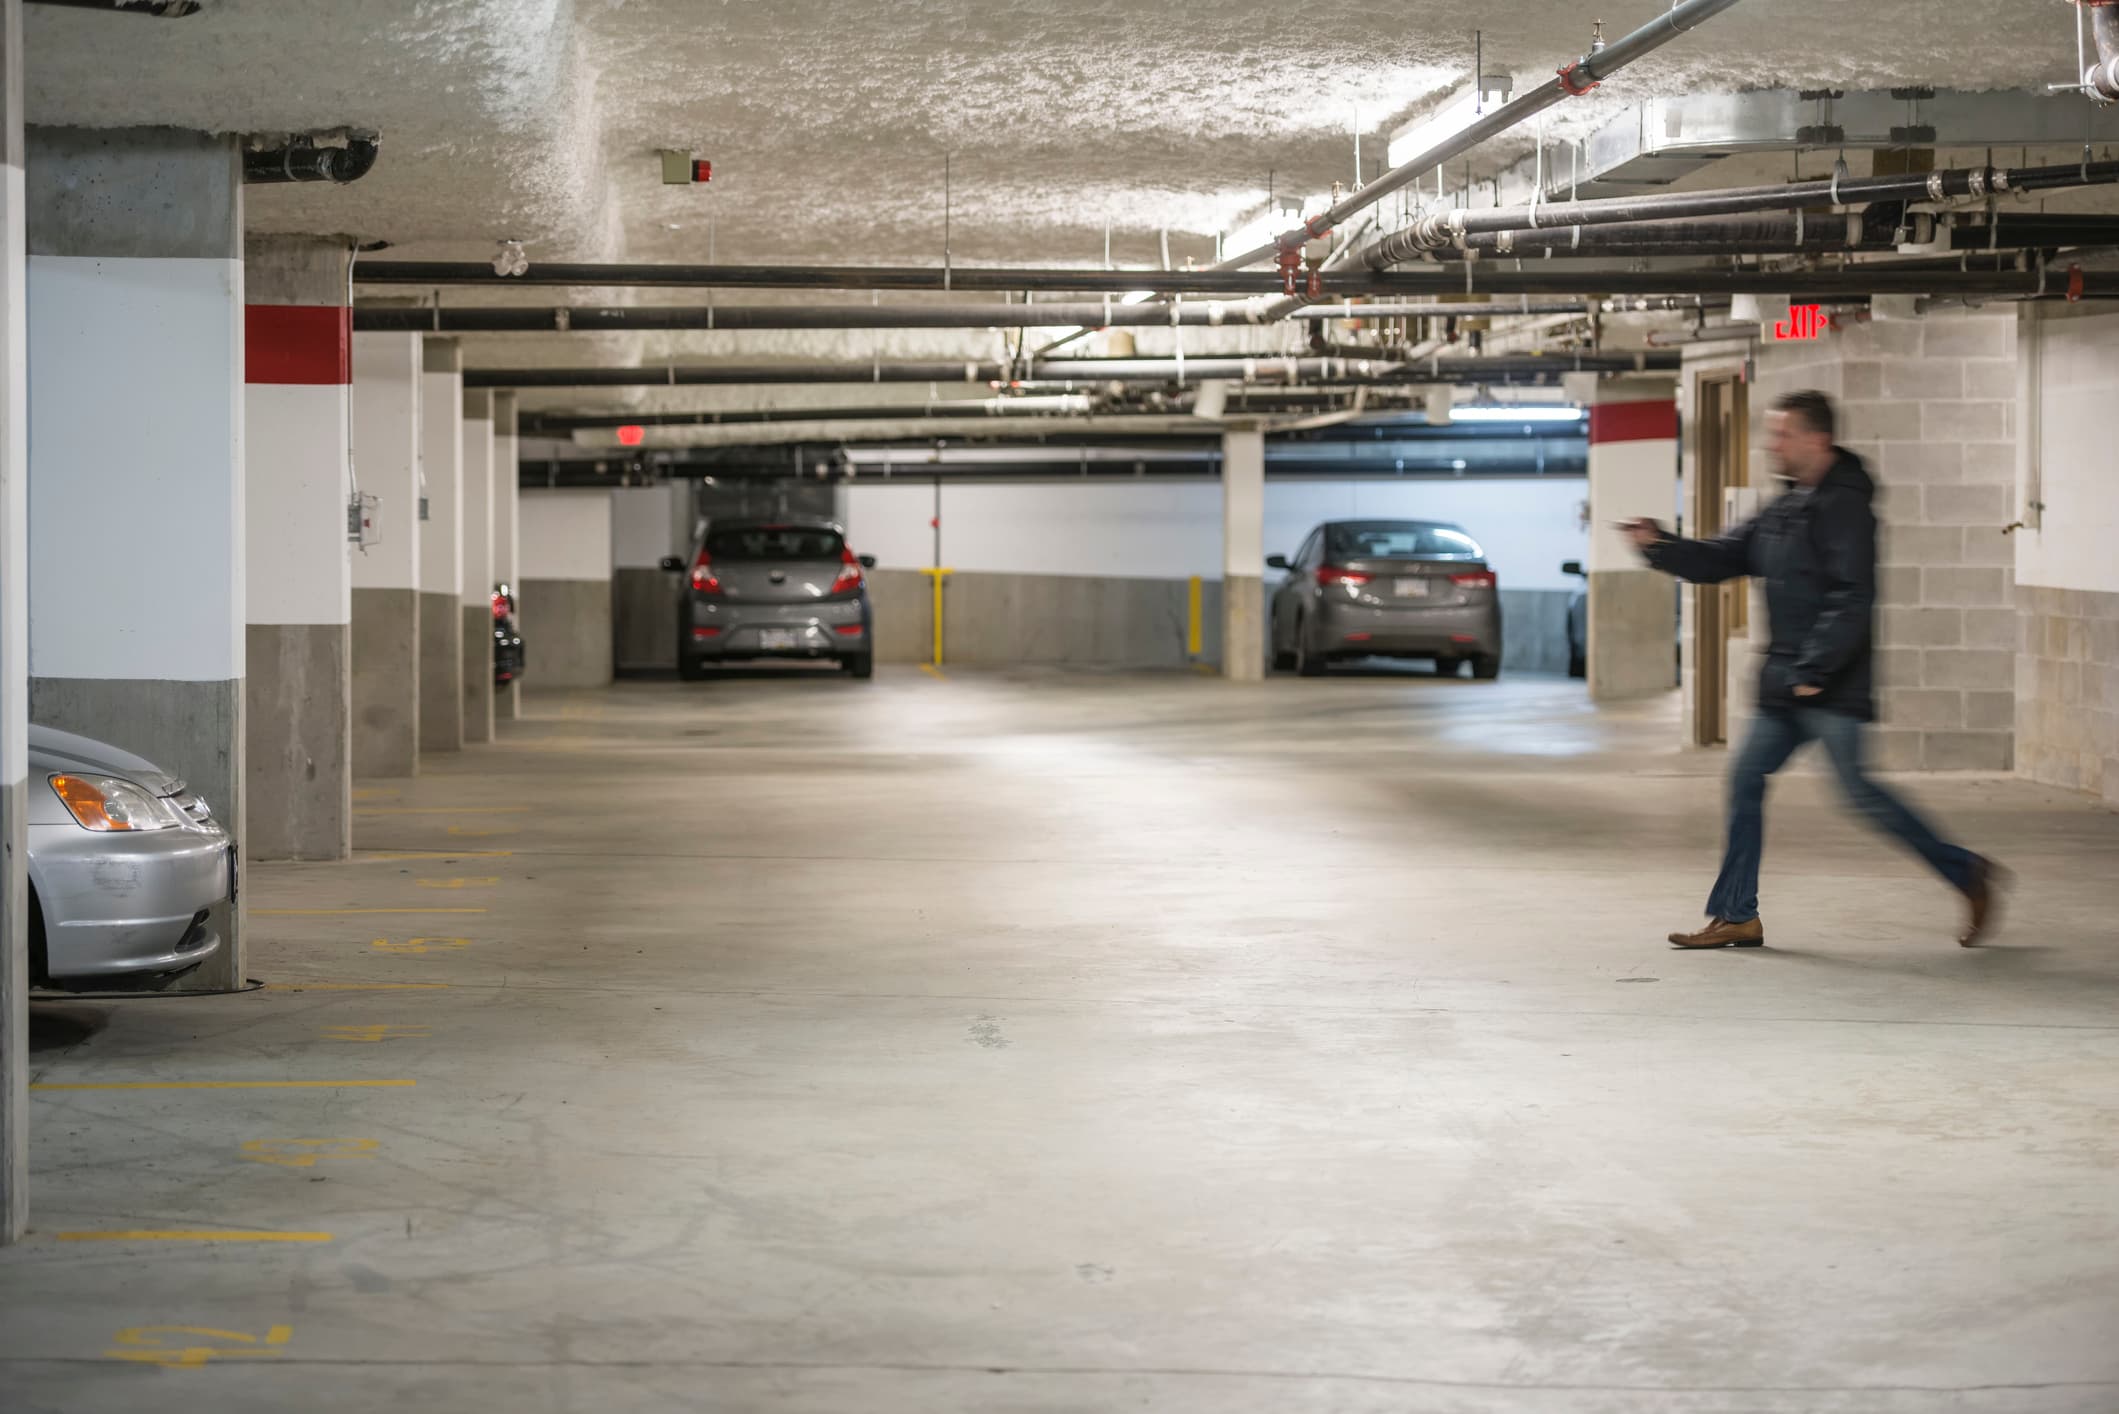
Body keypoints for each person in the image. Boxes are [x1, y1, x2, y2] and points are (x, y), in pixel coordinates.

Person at [1621, 389, 2004, 949]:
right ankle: (1736, 915)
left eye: (1782, 434)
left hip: (1827, 686)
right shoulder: (1784, 508)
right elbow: (1724, 557)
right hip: (1785, 686)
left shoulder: (1846, 508)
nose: (1772, 444)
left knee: (1862, 795)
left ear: (1816, 439)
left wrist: (1816, 668)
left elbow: (1854, 596)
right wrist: (1660, 546)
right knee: (1746, 779)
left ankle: (1966, 872)